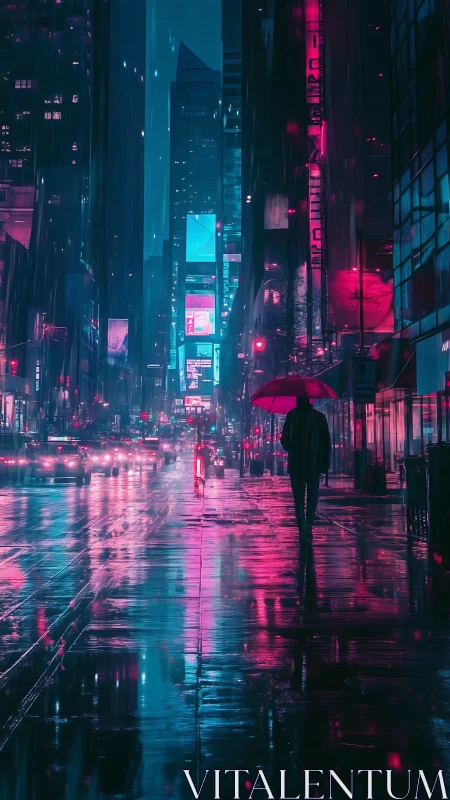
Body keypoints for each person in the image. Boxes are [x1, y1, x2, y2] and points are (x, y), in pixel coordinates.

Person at [280, 396, 331, 538]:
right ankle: (308, 525)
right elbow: (326, 443)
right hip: (313, 464)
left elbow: (285, 441)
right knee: (312, 498)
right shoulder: (319, 418)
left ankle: (302, 526)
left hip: (296, 465)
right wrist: (325, 463)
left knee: (299, 499)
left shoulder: (292, 416)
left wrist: (290, 445)